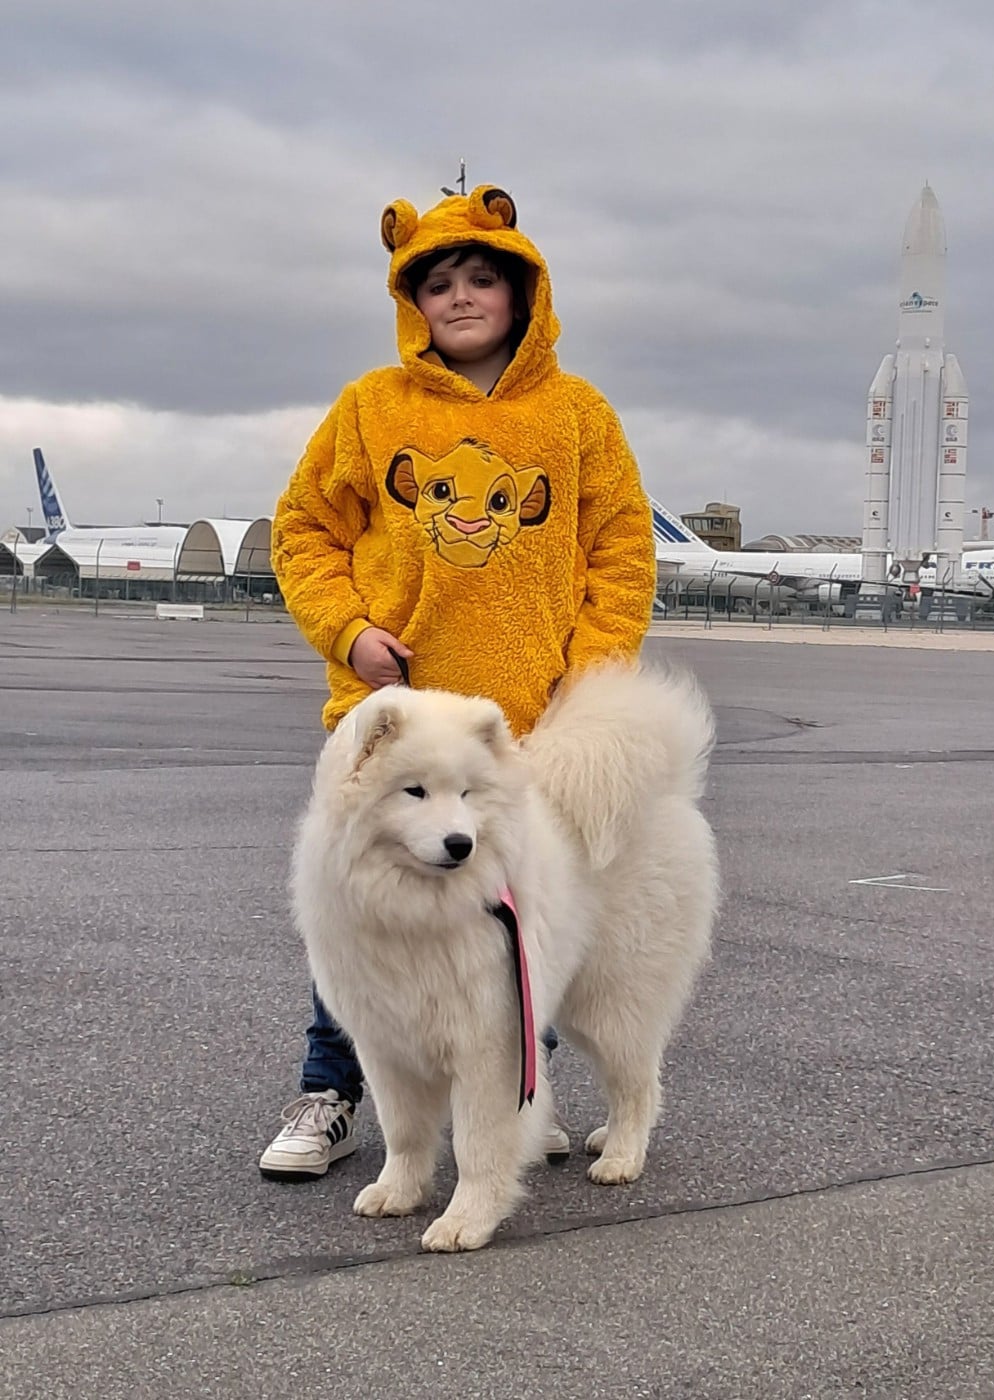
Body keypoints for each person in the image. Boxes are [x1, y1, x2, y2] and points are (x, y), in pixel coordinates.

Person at [259, 183, 656, 1181]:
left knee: (523, 921)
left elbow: (619, 548)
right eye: (439, 282)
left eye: (483, 276)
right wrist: (349, 633)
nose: (463, 296)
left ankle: (517, 1090)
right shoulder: (371, 407)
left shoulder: (576, 415)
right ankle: (328, 1089)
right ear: (412, 301)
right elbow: (303, 530)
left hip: (519, 731)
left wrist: (591, 671)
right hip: (385, 723)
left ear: (523, 291)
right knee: (354, 914)